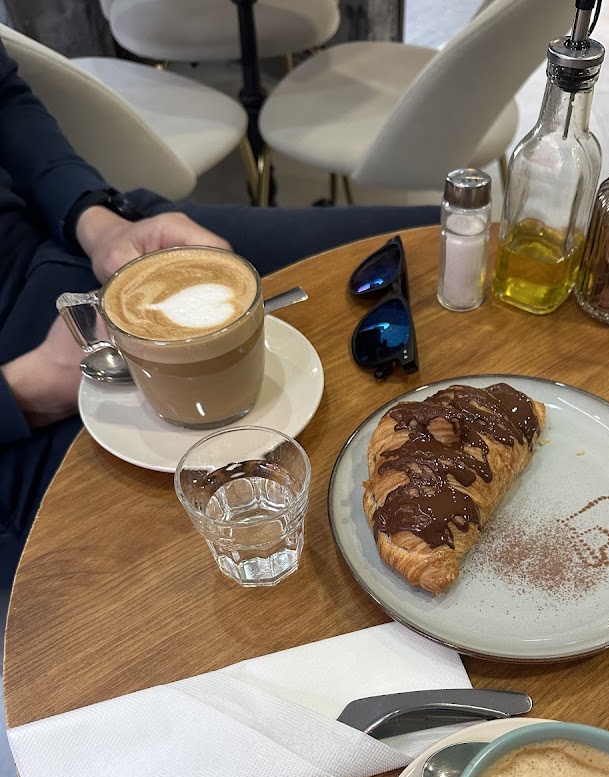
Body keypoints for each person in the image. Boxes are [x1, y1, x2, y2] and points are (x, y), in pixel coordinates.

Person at [0, 40, 439, 587]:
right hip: (17, 388)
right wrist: (23, 392)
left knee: (426, 230)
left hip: (73, 236)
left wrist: (95, 222)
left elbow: (6, 100)